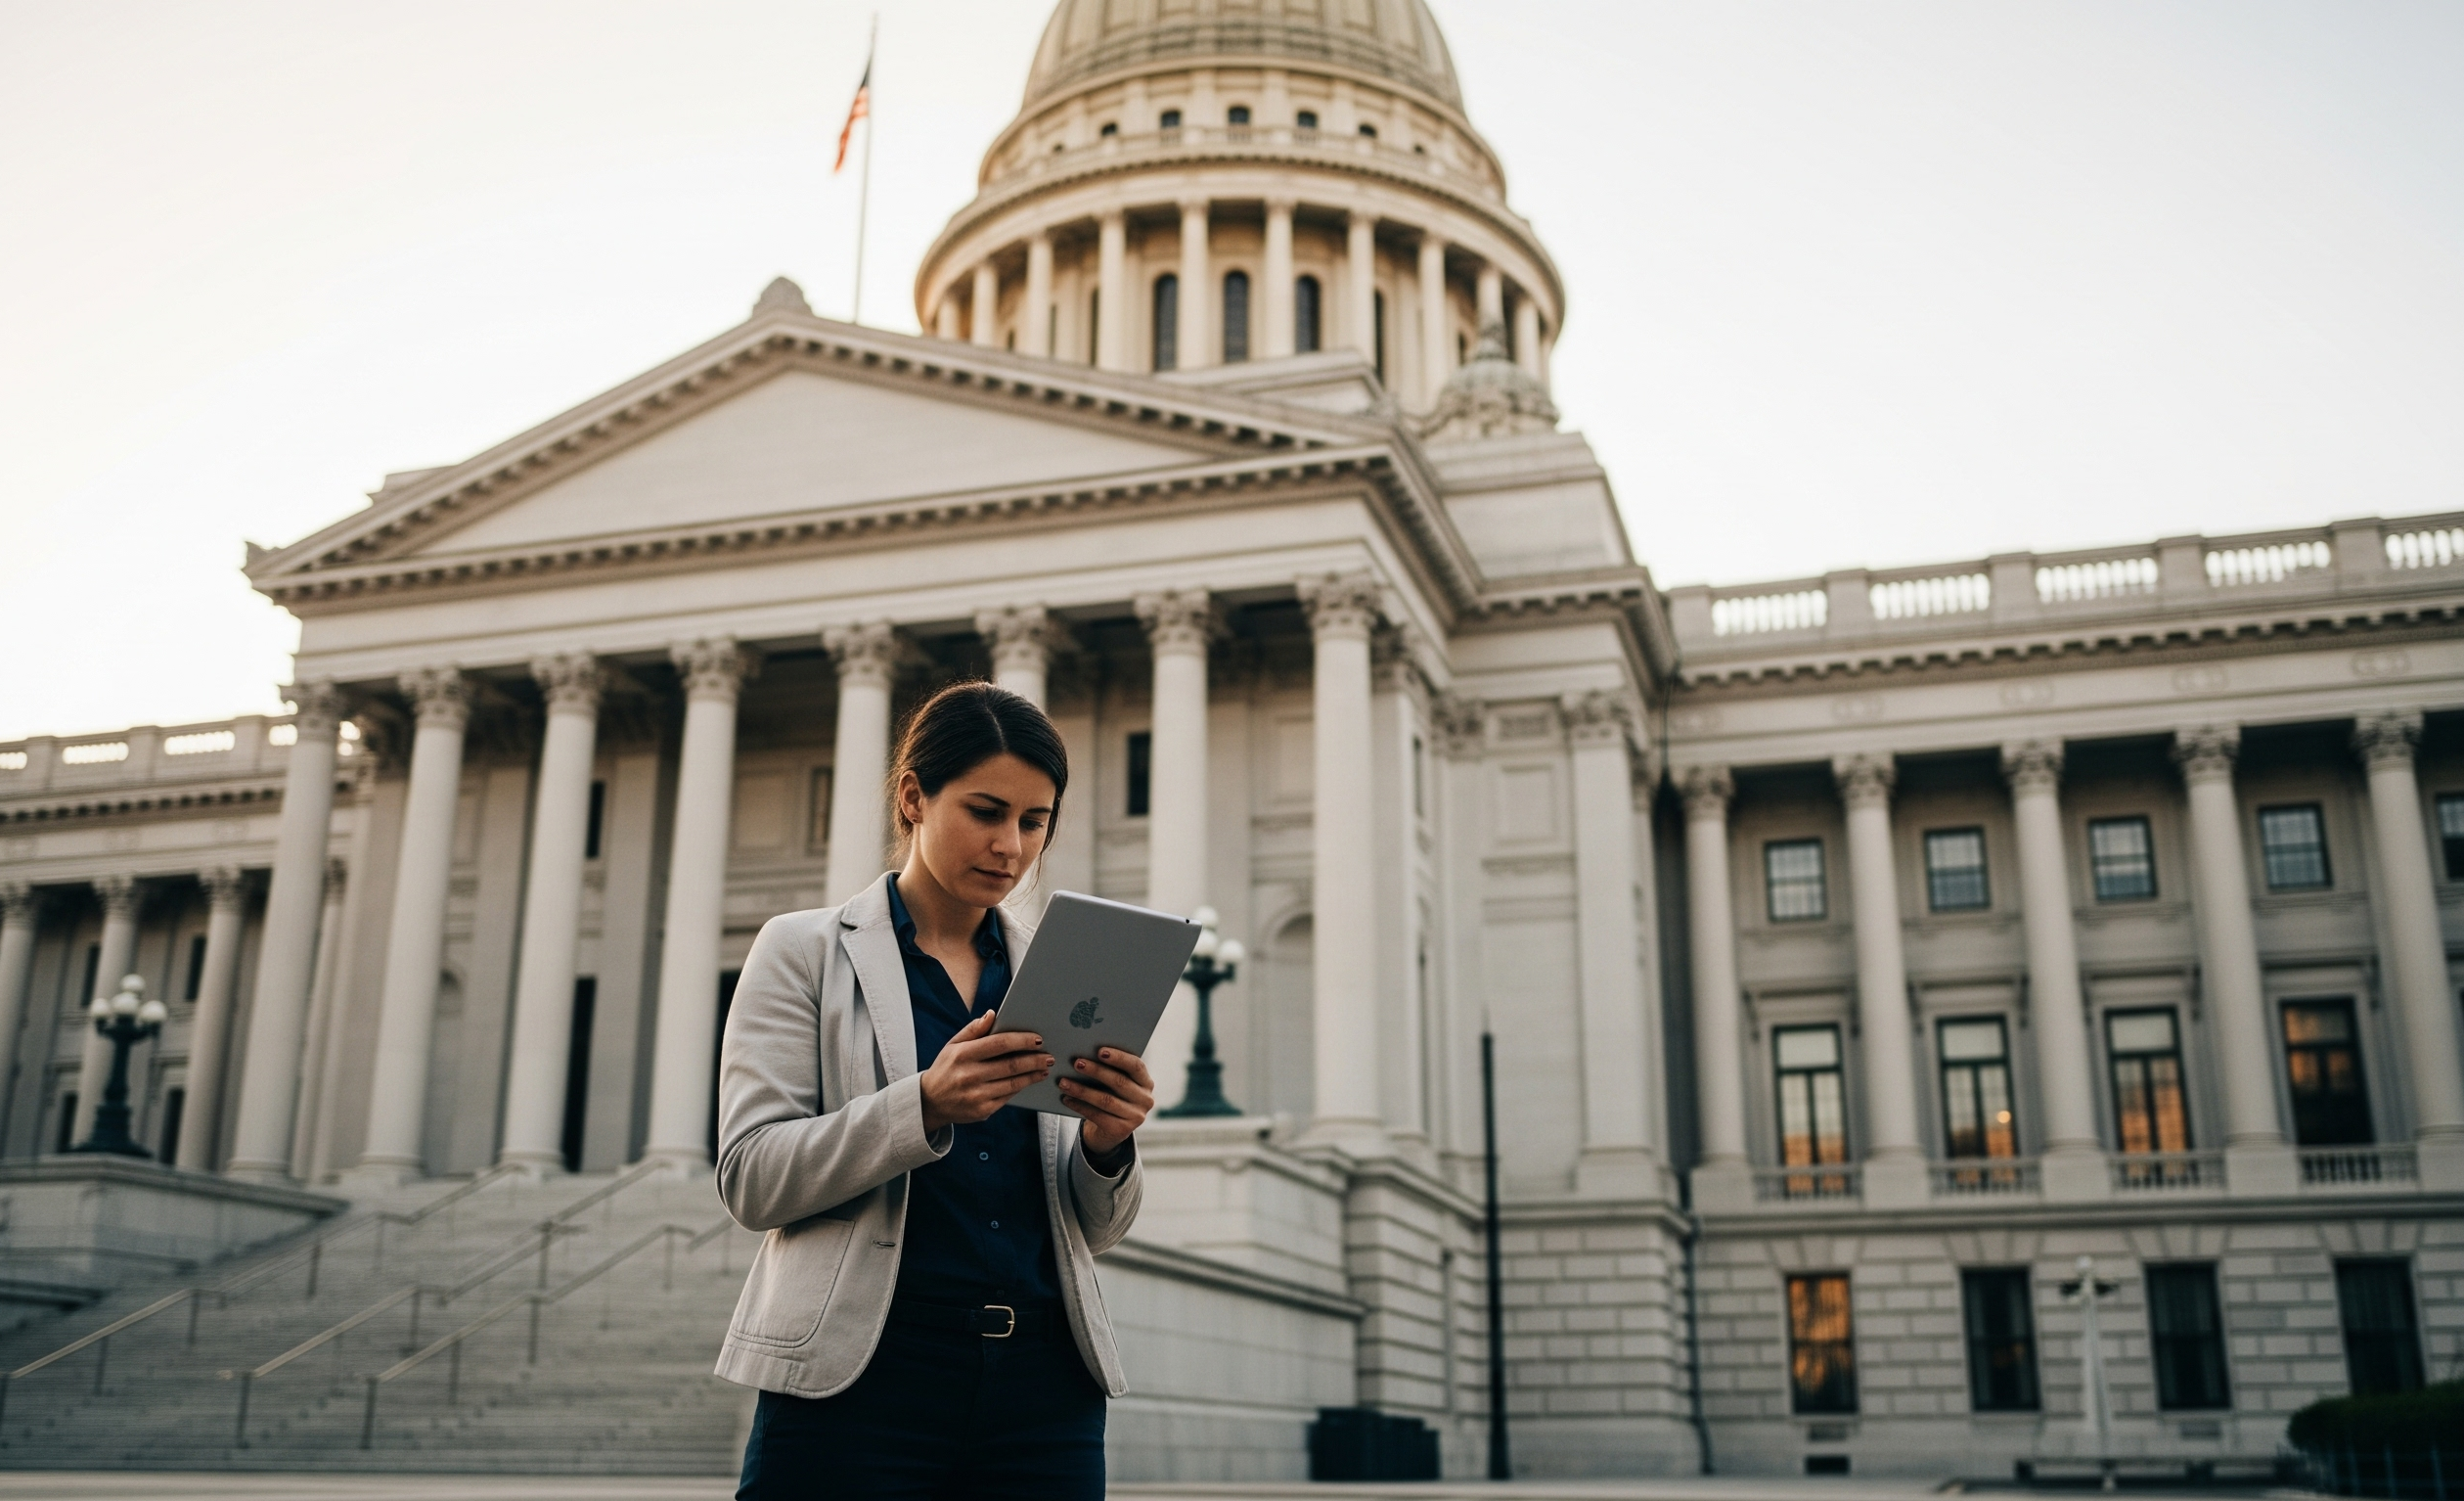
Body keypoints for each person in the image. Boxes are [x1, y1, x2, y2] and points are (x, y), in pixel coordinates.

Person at [715, 681, 1154, 1500]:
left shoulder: (1063, 972)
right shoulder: (802, 950)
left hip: (1044, 1389)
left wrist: (1108, 1144)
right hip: (860, 1382)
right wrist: (921, 1105)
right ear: (913, 797)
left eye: (1034, 821)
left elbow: (1098, 1231)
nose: (1011, 847)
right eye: (985, 812)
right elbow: (750, 1177)